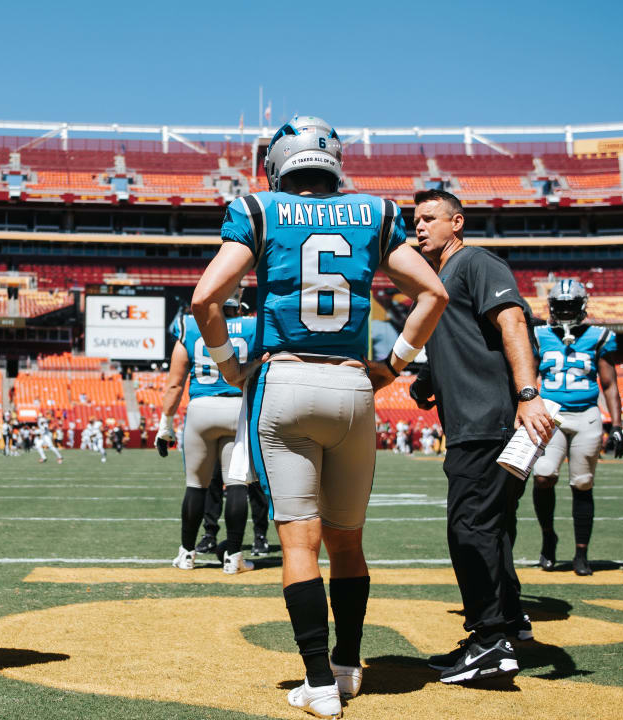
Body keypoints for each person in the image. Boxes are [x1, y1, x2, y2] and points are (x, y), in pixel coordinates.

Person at [192, 116, 447, 717]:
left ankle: (319, 685)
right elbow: (432, 292)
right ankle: (348, 667)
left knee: (299, 542)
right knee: (348, 542)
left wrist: (230, 364)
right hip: (353, 384)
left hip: (286, 378)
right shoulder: (375, 212)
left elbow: (206, 298)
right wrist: (395, 364)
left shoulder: (258, 209)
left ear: (279, 163)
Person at [409, 189, 554, 684]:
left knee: (469, 527)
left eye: (430, 218)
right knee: (492, 526)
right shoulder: (438, 279)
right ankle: (510, 623)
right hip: (475, 421)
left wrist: (528, 393)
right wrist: (428, 381)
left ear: (457, 222)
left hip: (488, 421)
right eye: (416, 219)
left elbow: (512, 320)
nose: (420, 226)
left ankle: (491, 642)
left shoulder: (475, 261)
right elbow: (462, 341)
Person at [158, 291, 258, 574]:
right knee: (237, 483)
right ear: (237, 301)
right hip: (238, 407)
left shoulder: (191, 325)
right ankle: (234, 557)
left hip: (201, 409)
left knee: (195, 485)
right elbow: (265, 361)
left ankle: (186, 554)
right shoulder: (252, 326)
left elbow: (175, 384)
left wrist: (165, 425)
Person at [530, 280, 623, 575]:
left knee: (582, 484)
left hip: (587, 415)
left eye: (572, 306)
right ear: (552, 308)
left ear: (583, 306)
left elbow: (609, 383)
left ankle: (581, 552)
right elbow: (529, 375)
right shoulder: (539, 334)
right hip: (551, 414)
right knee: (543, 476)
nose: (567, 311)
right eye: (561, 306)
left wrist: (618, 424)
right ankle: (548, 537)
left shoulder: (599, 336)